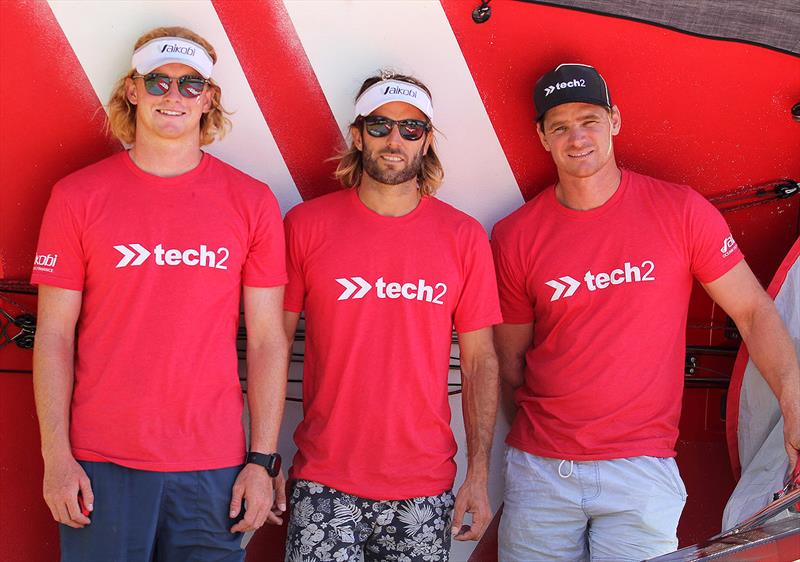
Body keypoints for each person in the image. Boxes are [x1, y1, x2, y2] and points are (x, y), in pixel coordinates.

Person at [491, 63, 800, 561]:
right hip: (542, 474)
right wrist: (536, 447)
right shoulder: (515, 235)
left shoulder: (680, 211)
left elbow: (753, 313)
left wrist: (793, 400)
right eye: (560, 126)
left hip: (641, 470)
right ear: (542, 137)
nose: (577, 137)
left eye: (589, 119)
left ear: (614, 120)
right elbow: (510, 361)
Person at [31, 26, 289, 561]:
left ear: (209, 98)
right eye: (159, 81)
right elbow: (53, 334)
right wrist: (56, 458)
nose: (174, 95)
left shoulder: (252, 201)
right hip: (100, 462)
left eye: (191, 83)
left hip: (215, 466)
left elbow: (267, 340)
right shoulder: (77, 196)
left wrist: (261, 462)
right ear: (133, 89)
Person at [282, 71, 502, 561]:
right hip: (324, 481)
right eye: (380, 126)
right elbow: (271, 346)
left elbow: (480, 362)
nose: (394, 140)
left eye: (411, 128)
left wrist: (479, 474)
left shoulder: (462, 237)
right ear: (357, 135)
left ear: (427, 140)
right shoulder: (305, 226)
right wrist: (263, 458)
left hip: (423, 489)